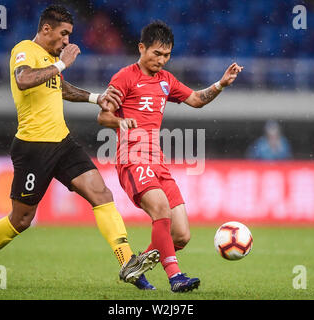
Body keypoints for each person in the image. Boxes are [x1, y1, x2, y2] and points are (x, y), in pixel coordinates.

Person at [0, 5, 159, 290]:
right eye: (63, 34)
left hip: (62, 142)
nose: (66, 41)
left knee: (101, 194)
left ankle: (129, 264)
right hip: (33, 148)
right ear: (46, 29)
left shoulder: (51, 61)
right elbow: (24, 80)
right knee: (21, 219)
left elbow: (59, 87)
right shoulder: (24, 49)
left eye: (69, 35)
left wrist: (95, 98)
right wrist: (62, 63)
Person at [97, 20, 243, 292]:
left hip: (157, 161)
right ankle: (175, 277)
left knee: (181, 234)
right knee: (161, 210)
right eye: (156, 54)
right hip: (132, 158)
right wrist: (120, 123)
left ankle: (135, 264)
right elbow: (103, 115)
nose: (161, 60)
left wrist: (220, 84)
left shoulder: (167, 81)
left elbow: (196, 100)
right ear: (142, 48)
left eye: (166, 55)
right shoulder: (124, 77)